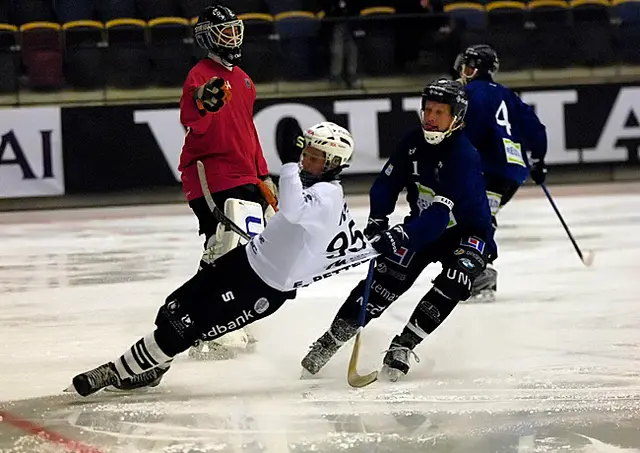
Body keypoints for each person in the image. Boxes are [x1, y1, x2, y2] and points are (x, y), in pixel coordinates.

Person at [69, 121, 378, 397]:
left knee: (186, 327)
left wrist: (285, 164)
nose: (306, 160)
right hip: (245, 261)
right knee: (176, 306)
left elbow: (294, 209)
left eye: (316, 157)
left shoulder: (327, 196)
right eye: (306, 153)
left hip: (261, 289)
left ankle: (116, 371)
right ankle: (155, 367)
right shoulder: (310, 183)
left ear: (334, 163)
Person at [300, 78, 497, 382]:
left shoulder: (463, 156)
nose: (430, 118)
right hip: (422, 226)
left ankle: (405, 344)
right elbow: (387, 183)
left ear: (456, 116)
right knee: (383, 282)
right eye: (427, 110)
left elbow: (440, 215)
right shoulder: (412, 142)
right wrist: (378, 220)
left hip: (466, 233)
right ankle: (331, 340)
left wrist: (401, 236)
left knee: (457, 279)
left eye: (439, 112)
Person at [180, 4, 278, 358]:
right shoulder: (200, 75)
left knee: (246, 250)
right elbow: (193, 116)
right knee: (222, 244)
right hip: (212, 176)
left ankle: (226, 315)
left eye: (235, 30)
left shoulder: (245, 79)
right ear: (207, 37)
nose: (233, 38)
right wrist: (203, 102)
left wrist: (263, 173)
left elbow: (249, 132)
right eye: (225, 32)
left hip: (246, 174)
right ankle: (199, 323)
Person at [453, 44, 548, 302]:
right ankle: (472, 271)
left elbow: (471, 131)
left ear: (474, 68)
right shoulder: (508, 95)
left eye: (467, 66)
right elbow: (537, 130)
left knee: (472, 217)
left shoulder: (468, 94)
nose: (463, 70)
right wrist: (538, 163)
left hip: (486, 167)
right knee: (478, 215)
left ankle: (479, 274)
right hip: (512, 172)